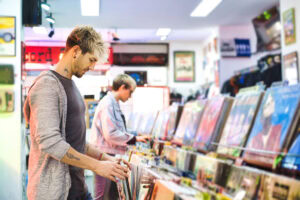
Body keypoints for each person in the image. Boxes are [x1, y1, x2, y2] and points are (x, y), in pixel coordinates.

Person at [23, 25, 130, 200]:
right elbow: (50, 143)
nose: (93, 66)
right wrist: (96, 166)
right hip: (54, 194)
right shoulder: (46, 85)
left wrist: (105, 158)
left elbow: (77, 141)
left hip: (78, 191)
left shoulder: (72, 86)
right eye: (91, 59)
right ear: (76, 51)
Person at [91, 74, 150, 200]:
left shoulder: (113, 103)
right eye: (130, 92)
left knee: (111, 194)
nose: (130, 97)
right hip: (103, 154)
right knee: (102, 195)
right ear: (123, 87)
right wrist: (134, 139)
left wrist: (135, 135)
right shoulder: (108, 103)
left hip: (109, 154)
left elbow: (118, 129)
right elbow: (111, 134)